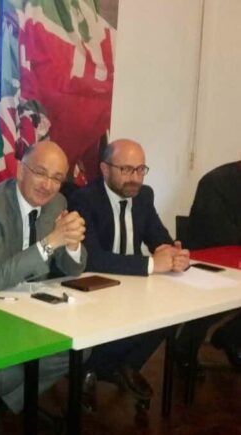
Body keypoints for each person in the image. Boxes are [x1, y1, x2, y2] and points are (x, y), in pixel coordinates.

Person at [0, 140, 87, 417]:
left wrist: (73, 244)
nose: (48, 185)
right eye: (40, 173)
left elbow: (72, 268)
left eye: (57, 178)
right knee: (7, 373)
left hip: (31, 306)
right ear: (20, 170)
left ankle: (1, 405)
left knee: (79, 348)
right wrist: (51, 242)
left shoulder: (58, 203)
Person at [69, 139, 190, 404]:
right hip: (94, 286)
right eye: (126, 170)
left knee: (172, 311)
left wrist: (174, 255)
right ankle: (95, 367)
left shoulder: (143, 196)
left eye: (140, 169)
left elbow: (159, 238)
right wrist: (152, 264)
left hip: (132, 285)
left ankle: (120, 366)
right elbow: (91, 259)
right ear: (104, 169)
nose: (135, 178)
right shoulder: (84, 199)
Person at [177, 161, 241, 368]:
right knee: (211, 303)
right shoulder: (215, 181)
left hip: (234, 258)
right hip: (206, 260)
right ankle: (184, 350)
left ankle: (231, 336)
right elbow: (217, 232)